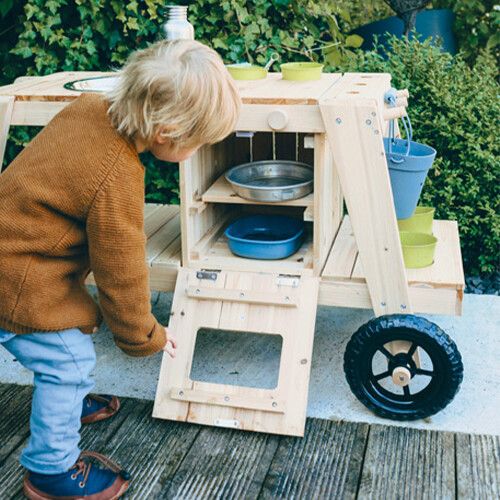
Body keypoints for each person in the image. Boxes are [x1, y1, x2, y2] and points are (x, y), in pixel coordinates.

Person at [0, 39, 241, 499]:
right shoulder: (117, 172)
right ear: (167, 130)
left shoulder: (89, 108)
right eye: (197, 143)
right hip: (17, 278)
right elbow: (121, 270)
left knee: (70, 339)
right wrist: (143, 333)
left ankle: (64, 406)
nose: (196, 152)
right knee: (67, 364)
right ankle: (50, 470)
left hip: (15, 253)